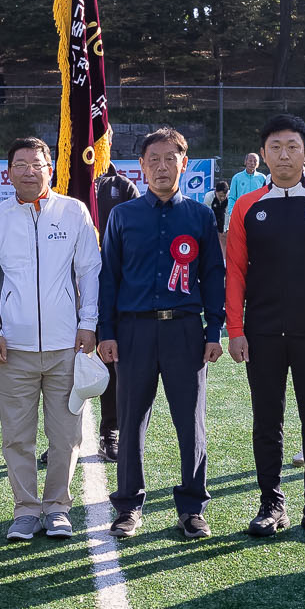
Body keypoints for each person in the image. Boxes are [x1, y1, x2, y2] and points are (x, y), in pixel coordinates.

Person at [225, 113, 305, 539]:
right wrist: (236, 330)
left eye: (292, 147)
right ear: (263, 154)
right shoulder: (246, 206)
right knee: (267, 421)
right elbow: (236, 272)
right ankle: (271, 504)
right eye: (276, 147)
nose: (284, 155)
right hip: (261, 333)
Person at [101, 127, 226, 540]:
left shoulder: (201, 216)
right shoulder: (122, 216)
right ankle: (128, 506)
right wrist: (107, 331)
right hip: (134, 332)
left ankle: (192, 508)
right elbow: (109, 279)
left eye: (169, 158)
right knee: (131, 420)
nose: (160, 166)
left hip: (186, 332)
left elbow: (212, 276)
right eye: (152, 159)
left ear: (183, 163)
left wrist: (214, 329)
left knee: (191, 423)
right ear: (140, 166)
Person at [0, 137, 102, 540]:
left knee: (65, 435)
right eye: (21, 164)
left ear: (50, 167)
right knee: (16, 435)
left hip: (67, 345)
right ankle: (26, 510)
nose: (30, 170)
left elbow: (90, 272)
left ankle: (58, 507)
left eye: (38, 163)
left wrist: (89, 322)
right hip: (14, 348)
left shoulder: (73, 211)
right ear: (8, 171)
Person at [90, 158, 141, 461]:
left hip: (112, 287)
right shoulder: (63, 182)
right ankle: (61, 437)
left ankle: (111, 431)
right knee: (61, 368)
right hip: (67, 289)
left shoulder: (122, 186)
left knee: (111, 362)